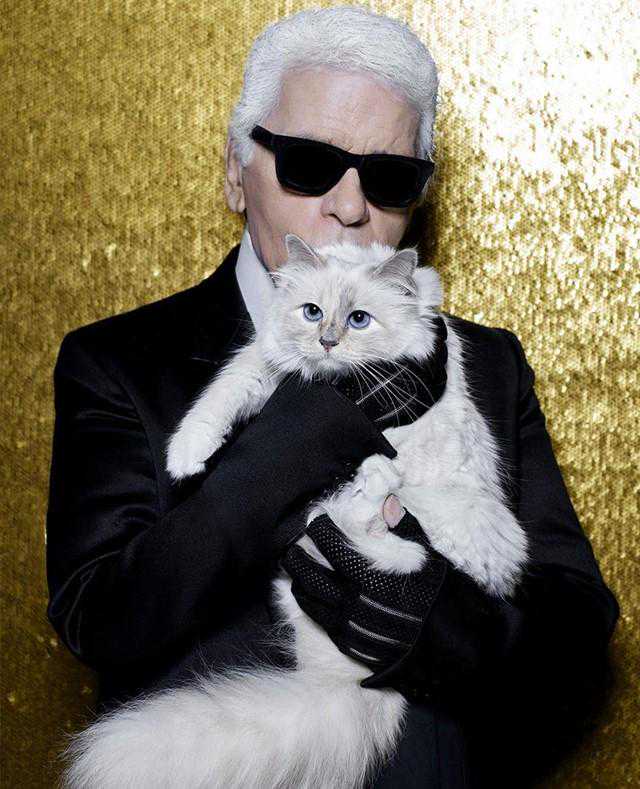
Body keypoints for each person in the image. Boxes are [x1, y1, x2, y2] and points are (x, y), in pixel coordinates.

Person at [45, 6, 619, 788]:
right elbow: (99, 617)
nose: (350, 207)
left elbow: (578, 626)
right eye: (310, 164)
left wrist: (452, 631)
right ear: (234, 172)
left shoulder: (488, 361)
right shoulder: (115, 362)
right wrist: (309, 427)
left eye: (388, 179)